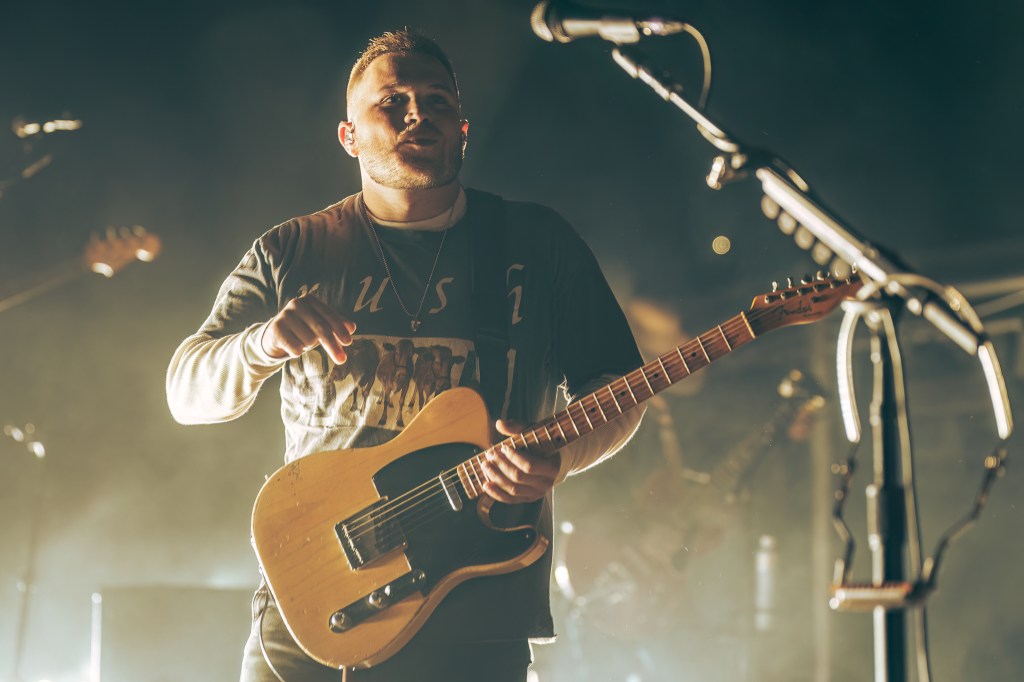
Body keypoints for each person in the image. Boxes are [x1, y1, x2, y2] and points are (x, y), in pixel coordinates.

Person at [166, 29, 644, 682]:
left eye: (438, 101)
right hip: (315, 605)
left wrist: (558, 460)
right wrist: (262, 343)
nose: (419, 114)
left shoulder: (537, 243)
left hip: (477, 614)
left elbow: (619, 388)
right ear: (349, 136)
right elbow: (185, 393)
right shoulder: (291, 250)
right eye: (393, 101)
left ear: (463, 130)